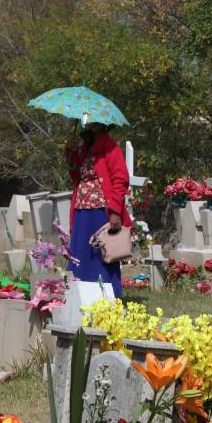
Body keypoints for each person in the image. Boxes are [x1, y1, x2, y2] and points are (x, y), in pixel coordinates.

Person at [65, 122, 132, 298]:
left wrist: (115, 211)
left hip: (100, 211)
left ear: (102, 125)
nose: (87, 125)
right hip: (81, 210)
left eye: (92, 123)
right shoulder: (85, 147)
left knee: (102, 254)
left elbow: (120, 179)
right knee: (80, 254)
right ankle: (79, 298)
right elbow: (76, 176)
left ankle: (106, 298)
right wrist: (70, 152)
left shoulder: (110, 147)